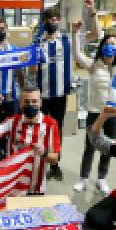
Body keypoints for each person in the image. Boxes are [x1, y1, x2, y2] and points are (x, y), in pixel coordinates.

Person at [73, 5, 116, 193]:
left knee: (109, 147)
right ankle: (84, 178)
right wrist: (75, 33)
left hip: (115, 114)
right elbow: (77, 54)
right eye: (108, 43)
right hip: (94, 113)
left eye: (114, 44)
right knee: (90, 147)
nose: (110, 46)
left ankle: (101, 178)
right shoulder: (94, 65)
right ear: (103, 47)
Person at [0, 84, 60, 195]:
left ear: (40, 103)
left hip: (35, 188)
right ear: (20, 104)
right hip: (12, 186)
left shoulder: (50, 124)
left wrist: (44, 153)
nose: (30, 105)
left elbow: (55, 159)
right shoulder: (12, 122)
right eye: (26, 102)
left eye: (34, 101)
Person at [34, 9, 71, 181]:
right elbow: (31, 69)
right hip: (42, 96)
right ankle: (41, 162)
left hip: (60, 96)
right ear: (44, 22)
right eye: (50, 19)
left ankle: (55, 165)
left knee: (57, 130)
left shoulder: (66, 40)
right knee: (41, 129)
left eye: (56, 19)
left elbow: (94, 34)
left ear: (60, 21)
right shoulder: (37, 43)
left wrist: (92, 12)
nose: (53, 22)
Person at [0, 15, 24, 162]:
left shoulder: (15, 50)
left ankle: (10, 156)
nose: (0, 32)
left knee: (12, 127)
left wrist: (22, 95)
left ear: (6, 29)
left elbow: (20, 73)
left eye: (2, 29)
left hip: (12, 97)